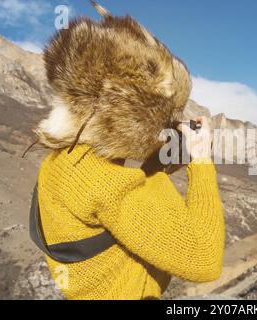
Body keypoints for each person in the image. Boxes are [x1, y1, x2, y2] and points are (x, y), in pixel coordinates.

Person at [31, 1, 225, 300]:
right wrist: (200, 162)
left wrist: (174, 151)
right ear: (134, 113)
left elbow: (135, 176)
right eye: (163, 118)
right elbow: (205, 261)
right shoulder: (101, 181)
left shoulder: (67, 160)